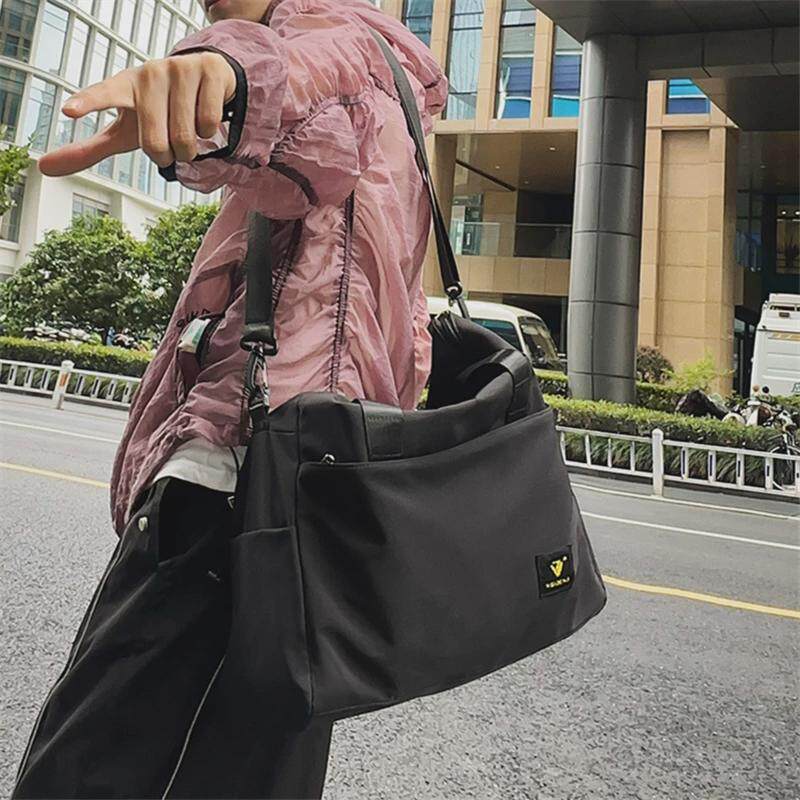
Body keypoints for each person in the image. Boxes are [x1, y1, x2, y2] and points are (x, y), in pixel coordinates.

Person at [12, 0, 446, 797]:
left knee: (92, 758)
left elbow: (298, 110)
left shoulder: (334, 45)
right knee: (256, 767)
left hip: (241, 466)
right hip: (330, 488)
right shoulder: (398, 93)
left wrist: (221, 79)